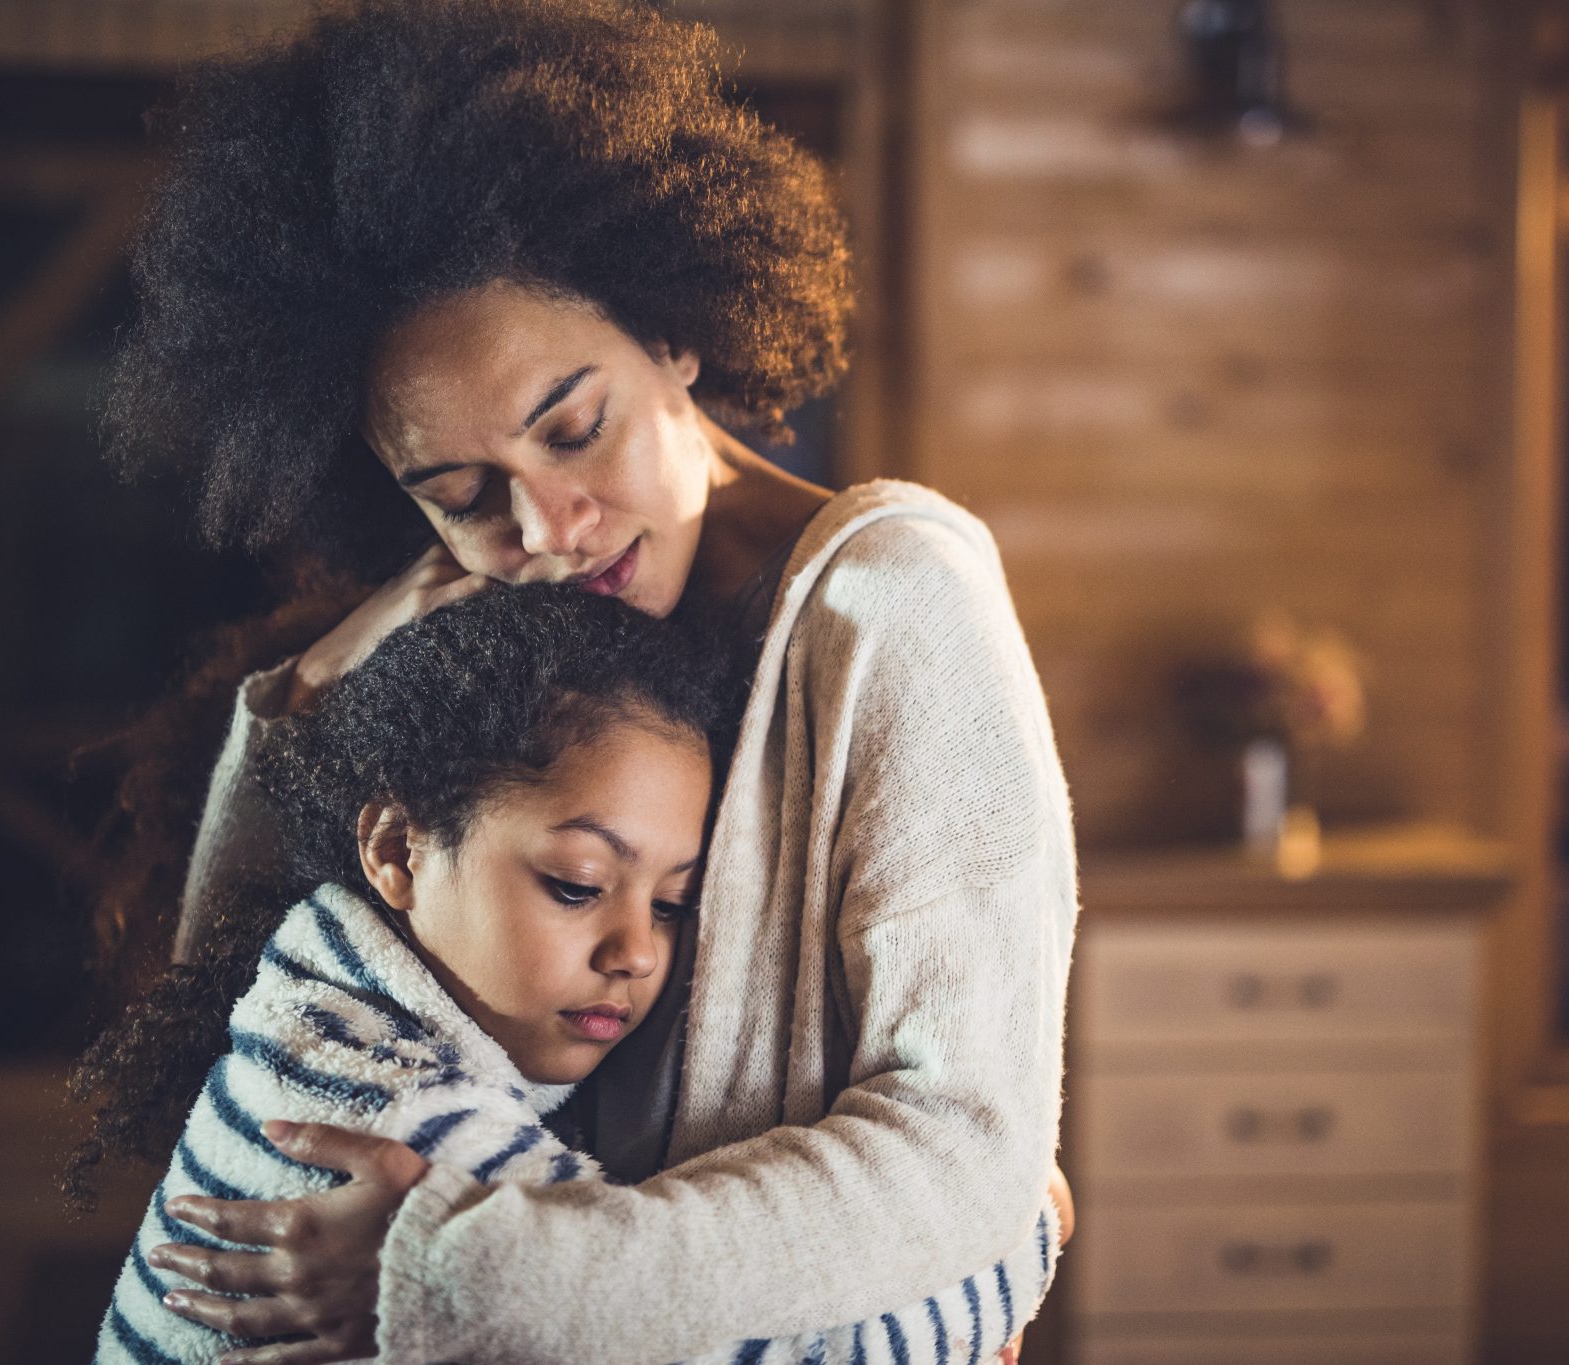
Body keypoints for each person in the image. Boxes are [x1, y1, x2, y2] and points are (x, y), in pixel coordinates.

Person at [81, 2, 1080, 1361]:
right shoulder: (501, 633)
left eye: (574, 427)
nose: (547, 527)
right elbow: (233, 1042)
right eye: (460, 492)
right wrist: (310, 692)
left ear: (674, 336)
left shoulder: (893, 603)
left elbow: (963, 1147)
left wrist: (476, 1275)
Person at [90, 585, 1058, 1364]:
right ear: (395, 848)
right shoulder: (390, 1122)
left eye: (671, 904)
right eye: (576, 884)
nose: (636, 950)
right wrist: (1026, 1231)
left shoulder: (318, 1011)